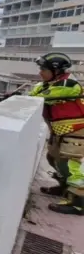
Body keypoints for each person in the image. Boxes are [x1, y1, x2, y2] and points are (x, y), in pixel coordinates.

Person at [26, 53, 84, 215]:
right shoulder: (46, 84)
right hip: (59, 132)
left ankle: (78, 203)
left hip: (76, 131)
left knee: (69, 166)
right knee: (53, 159)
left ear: (57, 71)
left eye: (44, 69)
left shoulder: (69, 85)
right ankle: (65, 188)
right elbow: (31, 97)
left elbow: (40, 98)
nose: (40, 72)